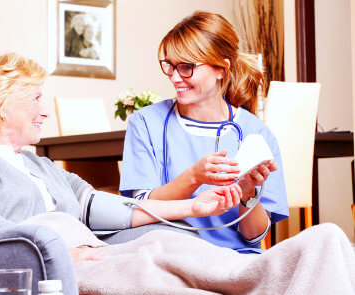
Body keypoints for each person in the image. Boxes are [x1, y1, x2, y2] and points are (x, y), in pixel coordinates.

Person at [0, 52, 354, 294]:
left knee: (172, 241)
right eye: (35, 98)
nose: (43, 110)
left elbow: (96, 204)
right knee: (151, 269)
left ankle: (298, 263)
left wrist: (192, 205)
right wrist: (50, 252)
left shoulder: (40, 164)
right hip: (59, 257)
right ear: (1, 106)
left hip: (93, 245)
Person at [120, 10, 288, 254]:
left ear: (221, 68)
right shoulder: (146, 123)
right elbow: (140, 210)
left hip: (237, 260)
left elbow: (254, 237)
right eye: (170, 65)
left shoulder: (257, 133)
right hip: (171, 256)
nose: (175, 77)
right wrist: (194, 177)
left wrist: (247, 193)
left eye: (187, 67)